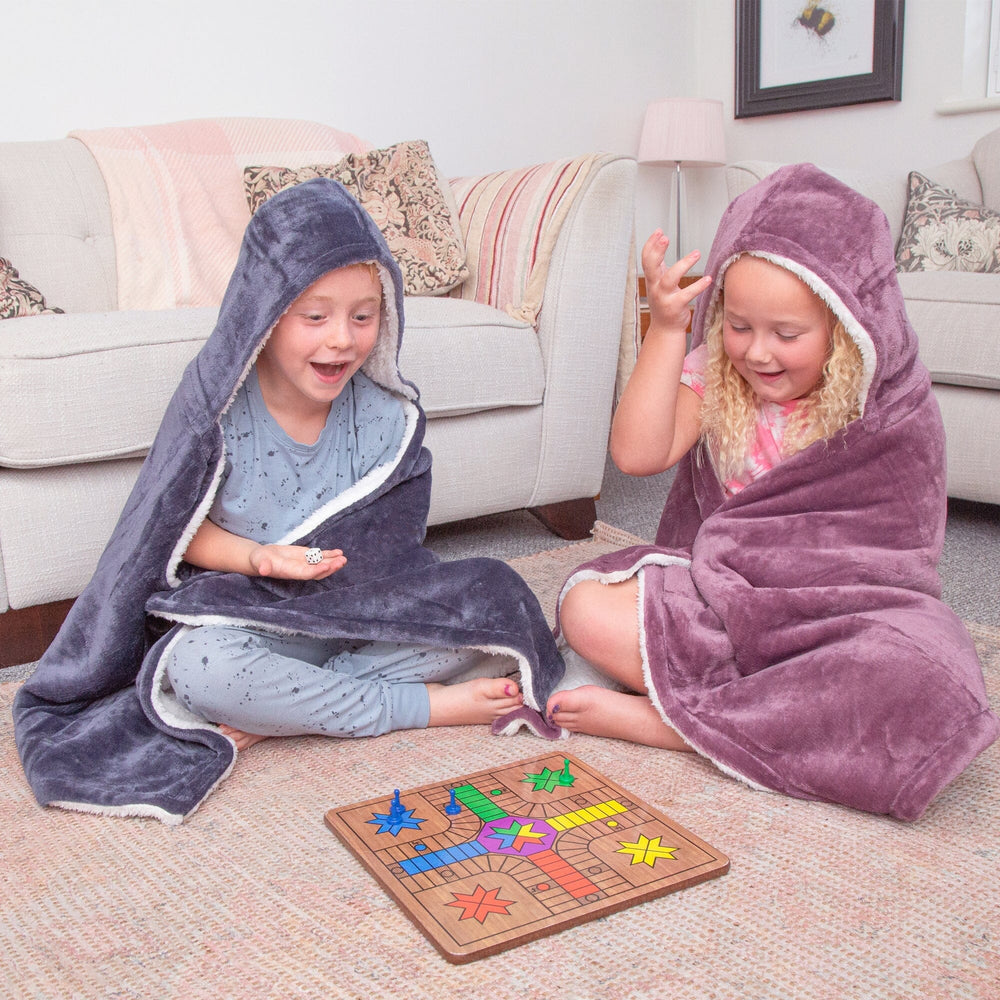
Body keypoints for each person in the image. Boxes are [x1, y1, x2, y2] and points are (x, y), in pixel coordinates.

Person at [14, 179, 564, 822]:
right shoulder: (217, 411)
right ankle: (412, 706)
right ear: (266, 312)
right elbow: (166, 530)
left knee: (495, 592)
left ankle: (286, 709)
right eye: (315, 317)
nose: (341, 340)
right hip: (251, 623)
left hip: (359, 617)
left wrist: (362, 596)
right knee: (200, 667)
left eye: (363, 316)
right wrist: (261, 560)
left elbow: (394, 550)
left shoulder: (385, 417)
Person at [545, 164, 998, 821]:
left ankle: (675, 720)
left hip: (836, 614)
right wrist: (671, 330)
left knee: (926, 677)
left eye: (787, 335)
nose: (758, 353)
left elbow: (897, 551)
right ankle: (740, 718)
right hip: (722, 604)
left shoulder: (886, 407)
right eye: (738, 325)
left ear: (847, 326)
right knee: (587, 607)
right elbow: (637, 454)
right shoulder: (718, 375)